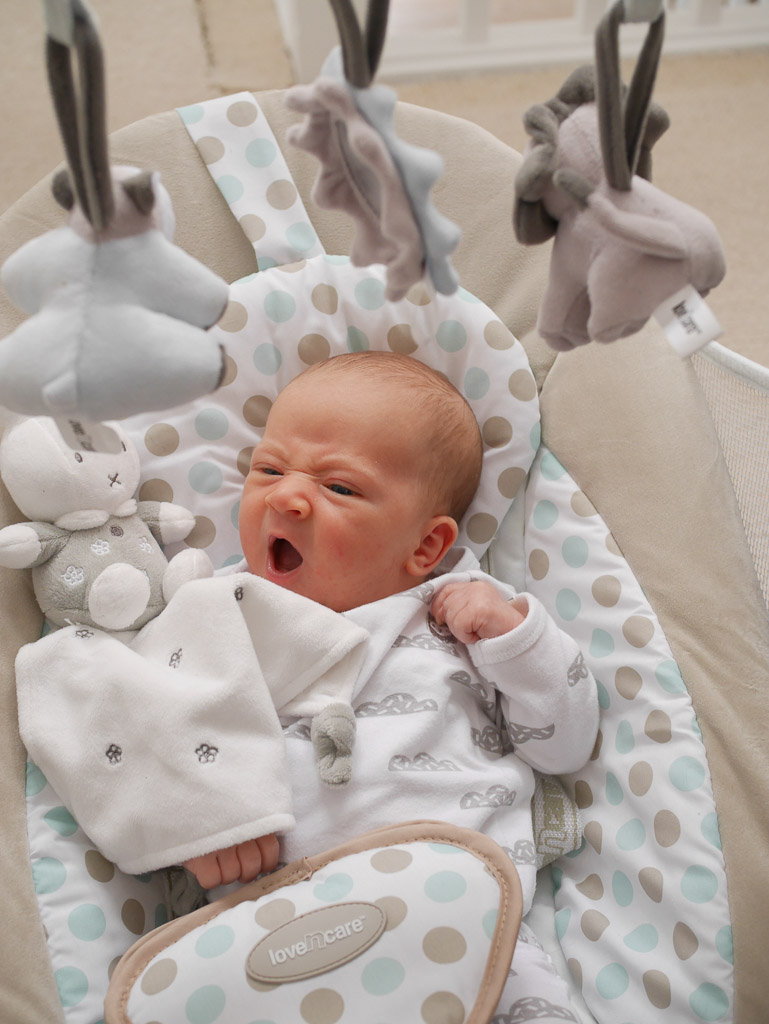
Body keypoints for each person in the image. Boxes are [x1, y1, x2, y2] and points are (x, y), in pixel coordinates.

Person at [187, 350, 599, 1020]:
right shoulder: (214, 614)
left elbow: (564, 748)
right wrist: (197, 822)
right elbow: (152, 737)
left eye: (340, 488)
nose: (285, 497)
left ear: (425, 548)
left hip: (465, 914)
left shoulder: (459, 614)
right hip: (275, 931)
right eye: (268, 469)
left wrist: (516, 639)